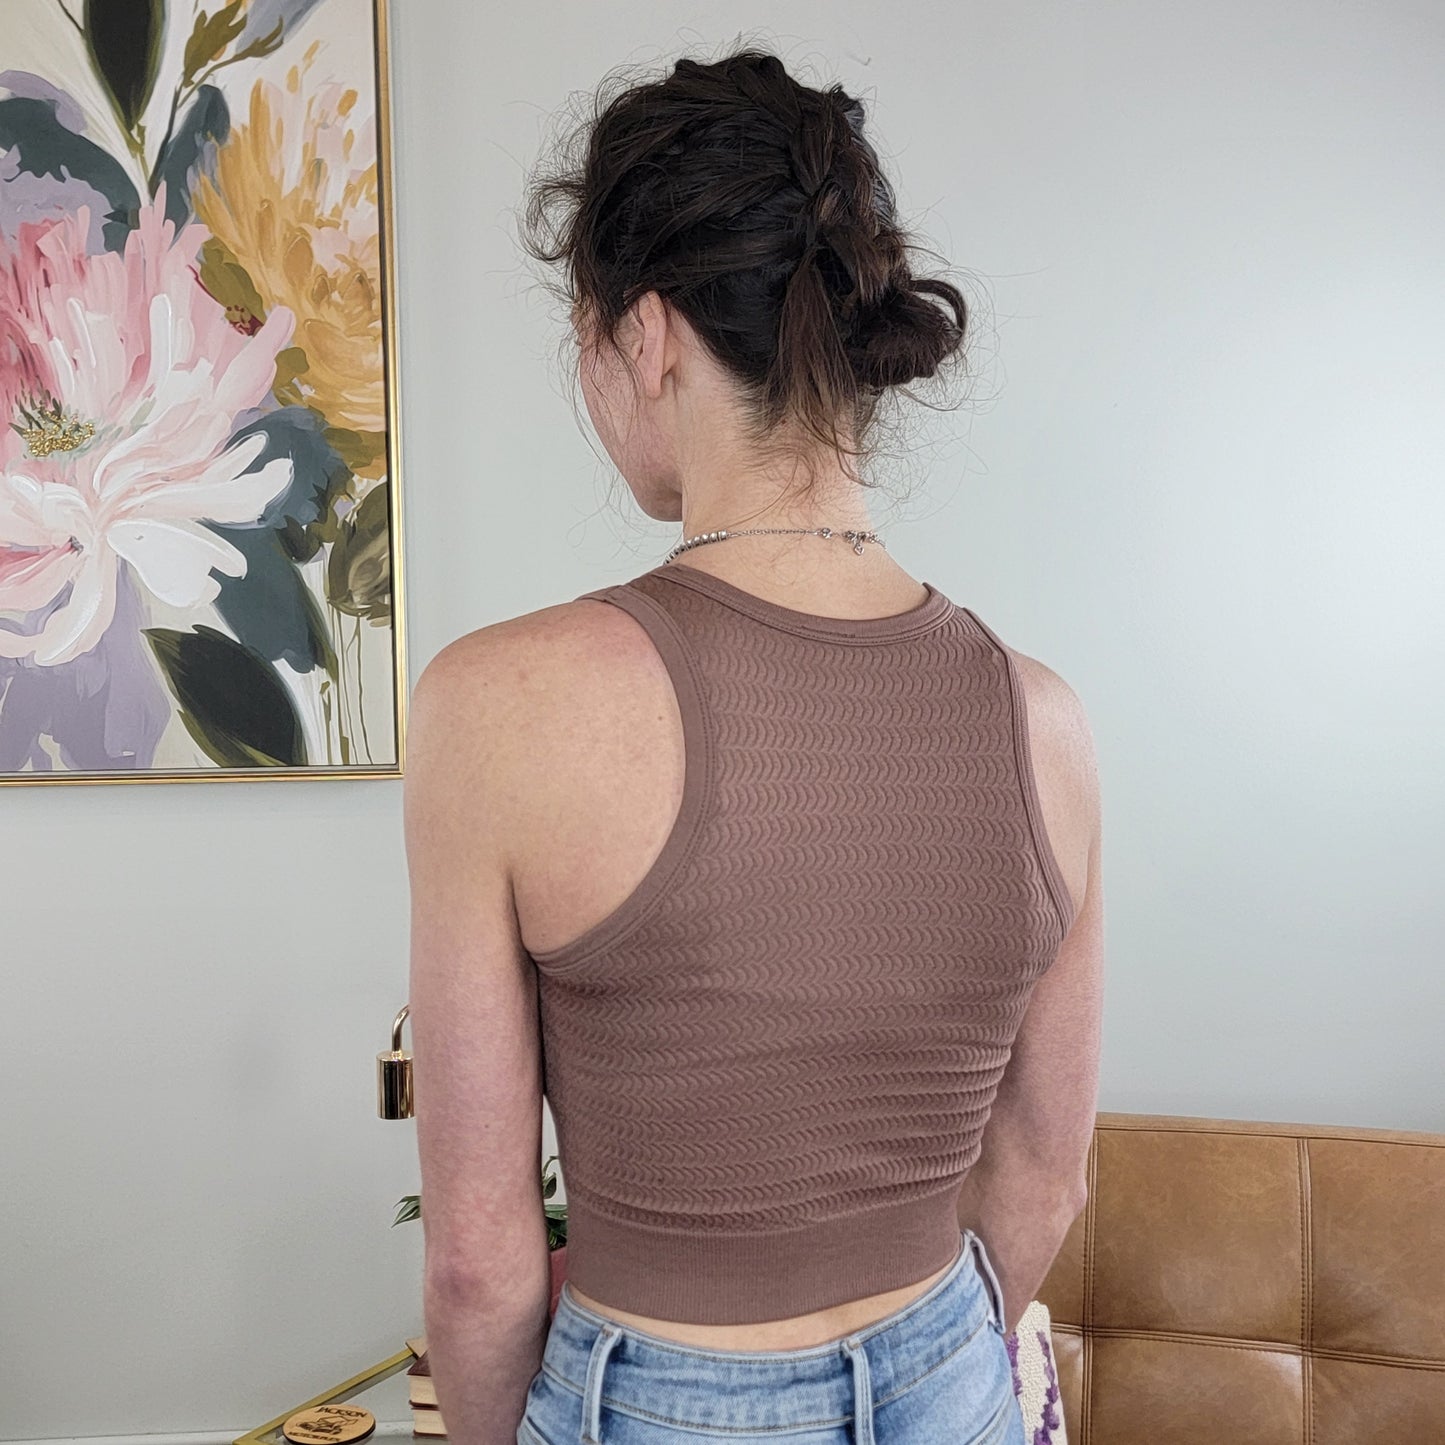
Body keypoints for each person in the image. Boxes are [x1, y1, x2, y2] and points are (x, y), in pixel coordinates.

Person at [405, 43, 1104, 1445]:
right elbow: (1041, 1175)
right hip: (948, 1373)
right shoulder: (1043, 717)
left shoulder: (498, 701)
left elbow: (480, 1260)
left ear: (647, 335)